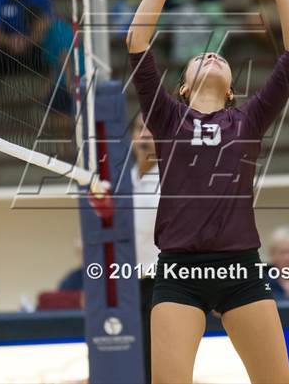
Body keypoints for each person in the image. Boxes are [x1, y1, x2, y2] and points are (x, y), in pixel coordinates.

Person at [126, 0, 289, 384]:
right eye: (200, 57)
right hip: (178, 273)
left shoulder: (247, 118)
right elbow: (136, 41)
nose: (211, 56)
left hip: (241, 268)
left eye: (220, 57)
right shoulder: (168, 116)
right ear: (183, 89)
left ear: (231, 90)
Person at [131, 112, 160, 384]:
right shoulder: (122, 180)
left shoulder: (170, 180)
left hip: (162, 281)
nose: (146, 135)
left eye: (153, 130)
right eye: (141, 128)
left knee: (157, 357)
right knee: (131, 354)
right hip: (127, 281)